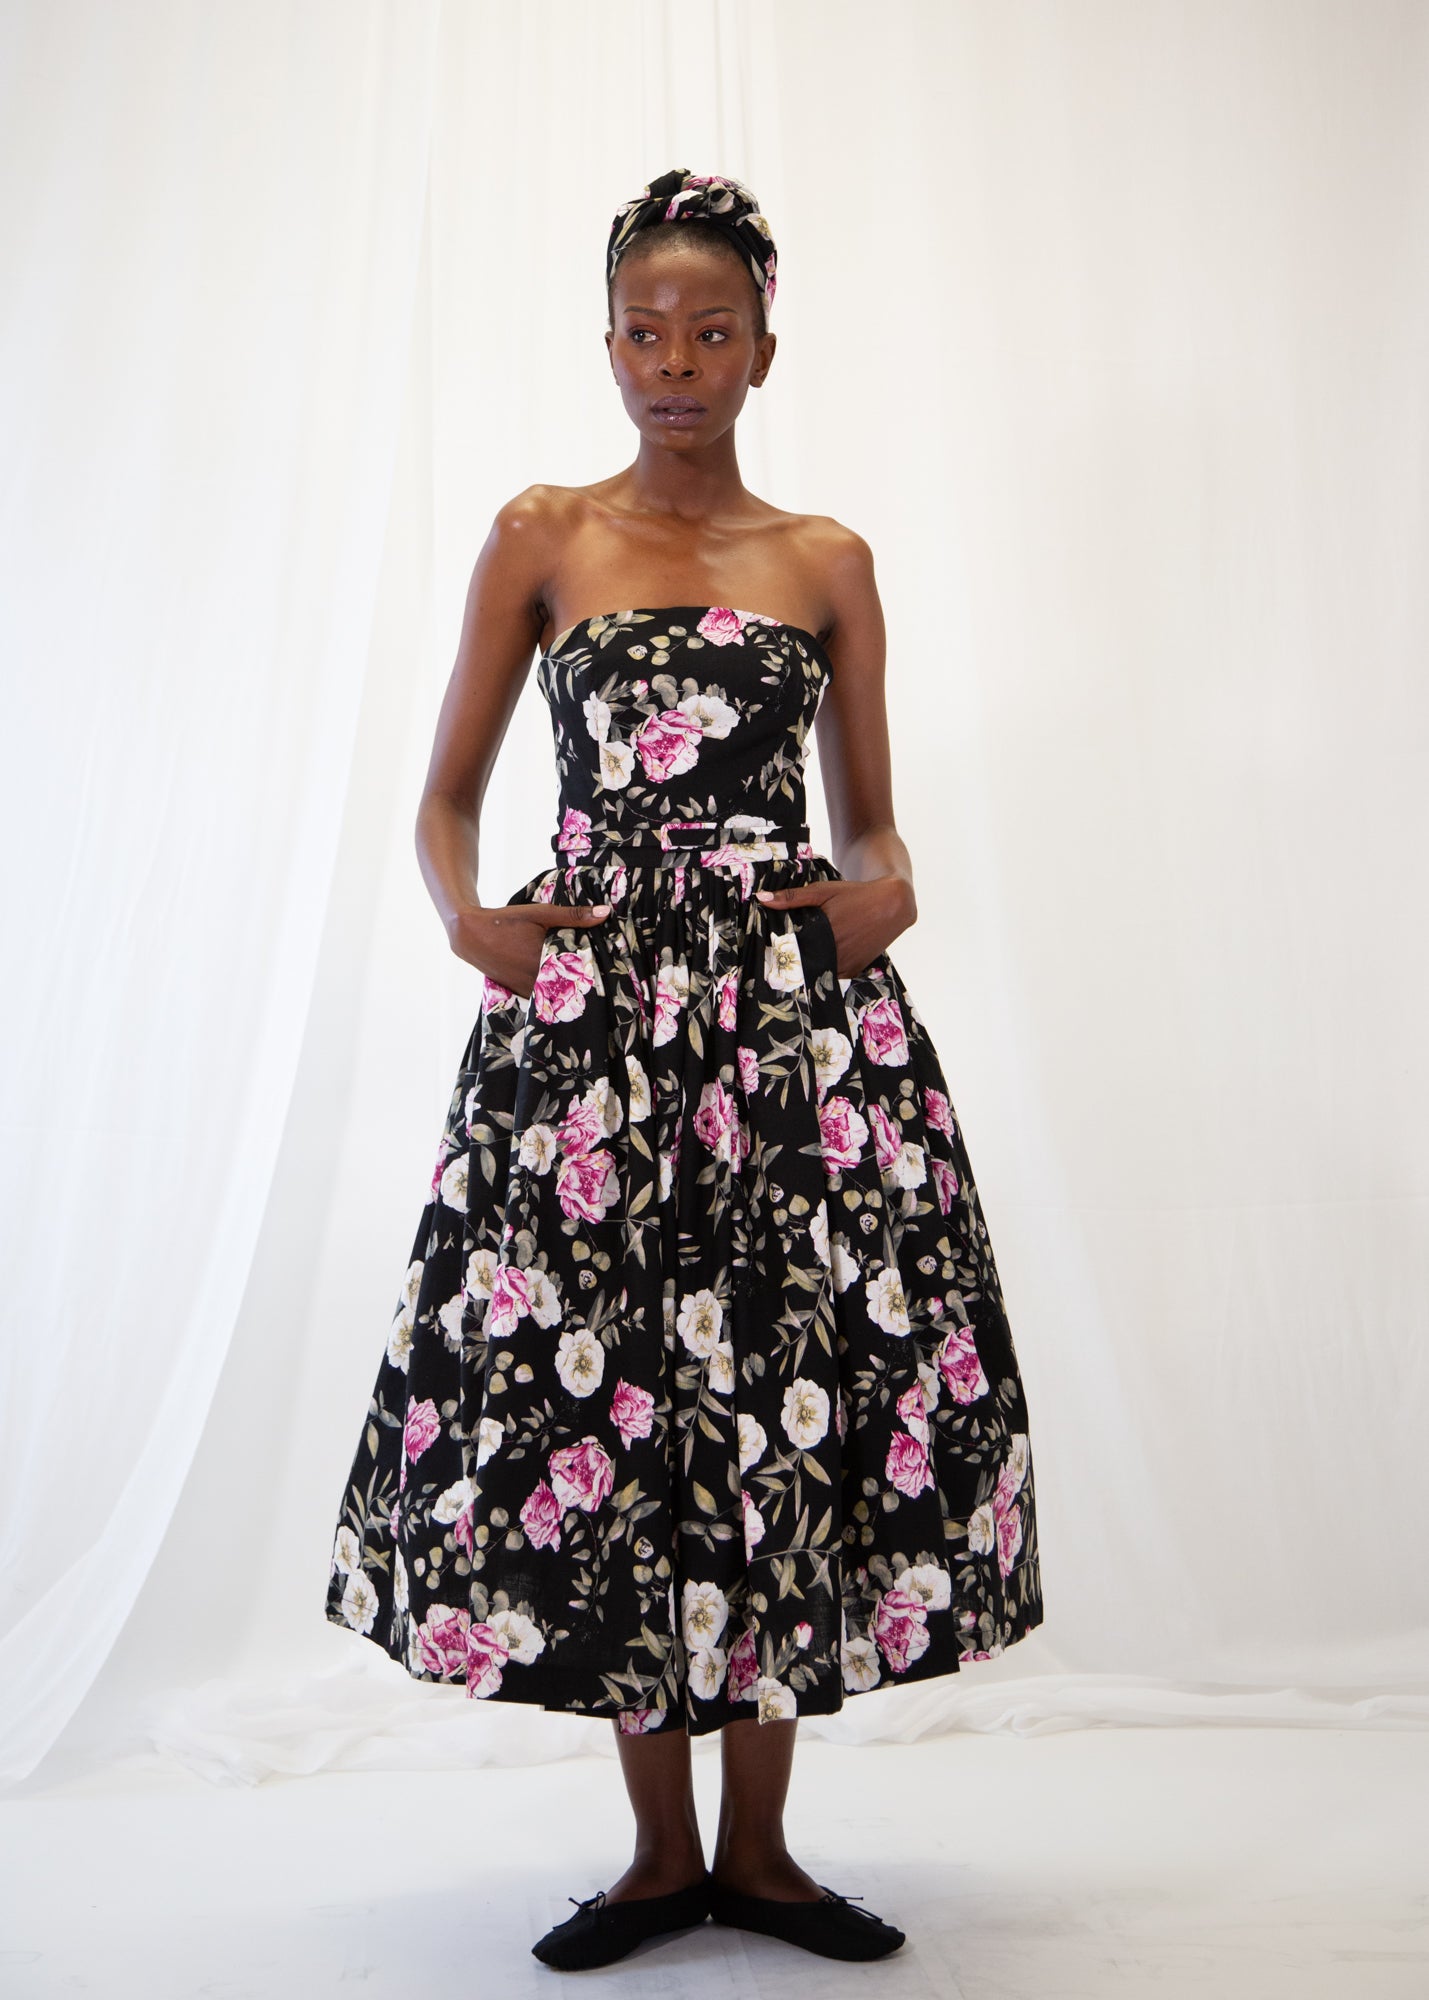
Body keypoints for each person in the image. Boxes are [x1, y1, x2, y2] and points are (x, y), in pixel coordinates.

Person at [326, 167, 1043, 1970]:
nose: (673, 363)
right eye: (644, 332)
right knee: (618, 1399)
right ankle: (658, 1863)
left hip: (790, 1029)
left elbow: (873, 823)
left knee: (784, 1396)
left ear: (763, 350)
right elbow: (442, 792)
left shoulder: (825, 563)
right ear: (609, 344)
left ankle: (767, 1857)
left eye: (708, 332)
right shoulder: (541, 533)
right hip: (588, 1043)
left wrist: (888, 892)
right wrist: (460, 914)